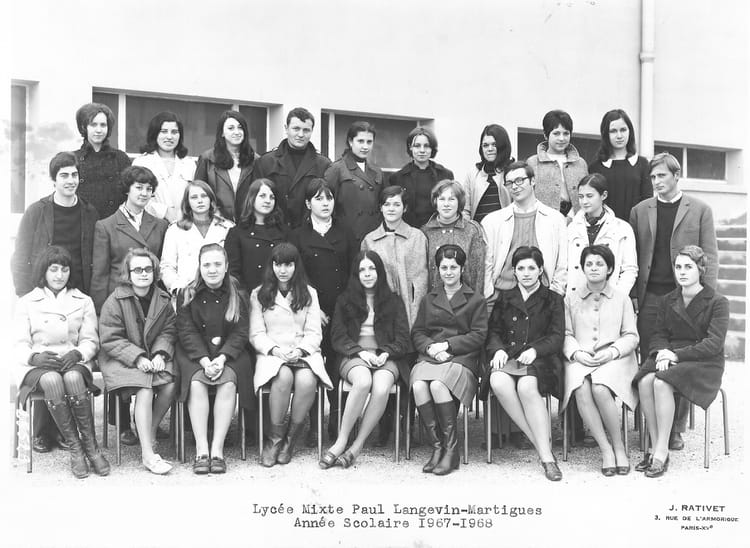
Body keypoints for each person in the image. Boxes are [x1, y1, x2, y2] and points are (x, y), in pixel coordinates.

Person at [11, 152, 100, 453]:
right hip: (41, 289)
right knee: (45, 353)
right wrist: (27, 294)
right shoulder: (37, 211)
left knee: (68, 359)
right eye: (64, 175)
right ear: (53, 180)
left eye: (74, 175)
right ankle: (41, 431)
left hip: (75, 289)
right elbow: (20, 255)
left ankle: (65, 432)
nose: (70, 180)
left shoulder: (88, 211)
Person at [629, 152, 718, 451]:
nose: (656, 182)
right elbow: (634, 257)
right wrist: (634, 296)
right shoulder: (640, 211)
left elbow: (710, 255)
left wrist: (704, 298)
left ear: (676, 175)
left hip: (685, 298)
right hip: (650, 297)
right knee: (650, 359)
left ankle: (676, 428)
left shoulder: (700, 209)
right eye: (653, 177)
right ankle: (652, 427)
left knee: (679, 360)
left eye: (662, 176)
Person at [12, 246, 109, 478]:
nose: (59, 275)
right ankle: (76, 449)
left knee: (74, 377)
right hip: (38, 365)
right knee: (53, 380)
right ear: (43, 272)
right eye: (53, 269)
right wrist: (34, 357)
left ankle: (91, 447)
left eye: (64, 270)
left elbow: (90, 340)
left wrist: (78, 354)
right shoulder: (27, 302)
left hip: (72, 360)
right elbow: (18, 343)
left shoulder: (83, 300)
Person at [633, 246, 728, 478]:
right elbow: (658, 333)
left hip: (703, 361)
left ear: (701, 270)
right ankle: (655, 444)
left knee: (660, 382)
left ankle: (660, 452)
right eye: (678, 267)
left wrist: (676, 355)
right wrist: (662, 352)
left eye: (688, 267)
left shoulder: (717, 301)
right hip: (670, 354)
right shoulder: (668, 300)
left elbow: (713, 344)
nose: (682, 272)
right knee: (645, 381)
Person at [91, 164, 169, 445]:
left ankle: (147, 421)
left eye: (149, 189)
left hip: (149, 301)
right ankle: (123, 423)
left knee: (152, 359)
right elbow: (100, 273)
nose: (144, 193)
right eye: (139, 187)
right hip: (119, 302)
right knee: (124, 359)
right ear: (127, 189)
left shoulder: (160, 225)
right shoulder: (106, 226)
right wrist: (100, 310)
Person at [320, 250, 410, 469]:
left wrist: (386, 353)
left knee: (382, 387)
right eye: (362, 270)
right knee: (362, 381)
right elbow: (338, 336)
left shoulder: (394, 301)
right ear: (356, 274)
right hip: (354, 355)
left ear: (379, 272)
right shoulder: (345, 300)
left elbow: (402, 338)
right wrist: (361, 352)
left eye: (372, 269)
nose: (367, 274)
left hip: (385, 356)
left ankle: (357, 446)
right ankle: (341, 441)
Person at [484, 246, 564, 481]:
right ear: (514, 272)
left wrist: (535, 350)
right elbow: (493, 331)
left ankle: (546, 458)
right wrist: (498, 349)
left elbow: (557, 336)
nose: (526, 273)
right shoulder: (505, 298)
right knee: (497, 381)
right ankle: (541, 445)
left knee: (526, 387)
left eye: (531, 268)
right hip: (510, 356)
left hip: (541, 359)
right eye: (521, 268)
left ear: (540, 270)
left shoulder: (553, 299)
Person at [249, 243, 333, 467]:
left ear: (296, 266)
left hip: (303, 352)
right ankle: (274, 439)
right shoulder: (259, 294)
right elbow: (256, 334)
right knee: (283, 377)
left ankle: (290, 439)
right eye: (278, 265)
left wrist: (300, 350)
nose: (283, 270)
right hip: (273, 354)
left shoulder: (309, 293)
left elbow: (314, 332)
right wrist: (275, 350)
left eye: (288, 264)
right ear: (272, 266)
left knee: (307, 381)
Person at [175, 243, 254, 474]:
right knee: (196, 383)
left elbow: (241, 332)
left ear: (226, 266)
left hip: (229, 354)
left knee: (228, 382)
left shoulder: (239, 295)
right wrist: (203, 360)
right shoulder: (186, 294)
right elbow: (186, 331)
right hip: (195, 353)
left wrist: (221, 359)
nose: (212, 269)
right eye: (207, 264)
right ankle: (202, 449)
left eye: (218, 264)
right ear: (199, 267)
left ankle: (217, 449)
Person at [561, 245, 639, 476]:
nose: (593, 268)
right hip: (580, 357)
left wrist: (613, 351)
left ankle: (619, 447)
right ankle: (605, 449)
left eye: (599, 264)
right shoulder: (570, 299)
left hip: (615, 358)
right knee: (580, 388)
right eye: (589, 264)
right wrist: (576, 353)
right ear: (582, 268)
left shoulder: (622, 299)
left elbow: (631, 336)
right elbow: (565, 334)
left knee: (600, 388)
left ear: (610, 269)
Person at [411, 244, 488, 475]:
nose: (448, 272)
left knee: (437, 385)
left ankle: (451, 450)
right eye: (444, 267)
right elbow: (418, 332)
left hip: (462, 358)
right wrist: (431, 348)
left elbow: (479, 335)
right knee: (418, 385)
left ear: (462, 269)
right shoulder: (429, 299)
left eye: (453, 267)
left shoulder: (475, 299)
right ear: (437, 270)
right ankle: (438, 447)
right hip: (431, 355)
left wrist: (447, 345)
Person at [290, 178, 357, 442]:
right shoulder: (297, 235)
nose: (325, 203)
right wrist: (313, 309)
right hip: (309, 311)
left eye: (328, 198)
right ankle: (314, 423)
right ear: (308, 204)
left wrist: (344, 309)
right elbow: (296, 275)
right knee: (313, 365)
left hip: (341, 310)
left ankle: (338, 421)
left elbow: (354, 272)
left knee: (337, 364)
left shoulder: (345, 232)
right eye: (318, 199)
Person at [98, 248, 177, 474]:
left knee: (171, 383)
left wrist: (161, 354)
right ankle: (148, 455)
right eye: (138, 270)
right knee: (145, 386)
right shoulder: (115, 300)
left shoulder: (163, 299)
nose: (143, 274)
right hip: (120, 358)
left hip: (153, 356)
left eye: (148, 269)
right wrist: (138, 357)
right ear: (128, 273)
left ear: (154, 272)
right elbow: (110, 338)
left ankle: (149, 431)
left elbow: (169, 330)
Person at [482, 160, 567, 306]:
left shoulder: (555, 219)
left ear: (533, 181)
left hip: (542, 299)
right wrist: (489, 293)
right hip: (501, 296)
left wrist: (555, 294)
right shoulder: (492, 221)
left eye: (519, 180)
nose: (515, 186)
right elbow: (487, 263)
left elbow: (562, 263)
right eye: (509, 183)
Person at [361, 185, 429, 328]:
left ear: (405, 208)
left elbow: (421, 281)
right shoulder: (369, 241)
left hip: (412, 310)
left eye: (397, 204)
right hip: (381, 312)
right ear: (381, 208)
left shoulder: (417, 237)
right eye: (387, 204)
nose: (391, 209)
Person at [251, 107, 331, 228]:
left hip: (309, 231)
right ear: (286, 128)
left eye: (306, 130)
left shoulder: (323, 165)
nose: (301, 134)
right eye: (296, 129)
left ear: (312, 131)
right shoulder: (266, 162)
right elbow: (255, 201)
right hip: (274, 230)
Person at [567, 173, 637, 295]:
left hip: (610, 297)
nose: (584, 201)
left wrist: (617, 297)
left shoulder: (622, 228)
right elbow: (564, 267)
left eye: (589, 196)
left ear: (603, 195)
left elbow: (629, 269)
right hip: (577, 297)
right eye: (581, 197)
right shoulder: (571, 228)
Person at [160, 180, 235, 295]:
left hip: (221, 293)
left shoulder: (227, 227)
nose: (200, 200)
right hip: (187, 293)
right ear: (187, 202)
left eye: (204, 196)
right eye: (194, 197)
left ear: (211, 199)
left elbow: (234, 265)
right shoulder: (175, 230)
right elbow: (167, 266)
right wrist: (178, 289)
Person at [421, 179, 486, 294]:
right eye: (442, 199)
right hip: (434, 299)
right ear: (435, 202)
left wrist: (476, 300)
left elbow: (478, 272)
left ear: (459, 202)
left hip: (466, 299)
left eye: (451, 199)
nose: (446, 204)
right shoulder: (425, 232)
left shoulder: (472, 230)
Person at [324, 121, 385, 242]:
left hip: (373, 237)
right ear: (350, 141)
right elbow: (325, 204)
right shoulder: (336, 169)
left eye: (369, 142)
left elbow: (383, 204)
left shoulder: (377, 171)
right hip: (346, 237)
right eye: (360, 141)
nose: (365, 147)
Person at [225, 178, 289, 295]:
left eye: (272, 197)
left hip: (278, 295)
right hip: (248, 295)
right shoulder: (237, 233)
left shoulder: (284, 231)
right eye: (262, 196)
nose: (268, 201)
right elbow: (233, 272)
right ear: (252, 198)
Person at [194, 110, 259, 222]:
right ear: (222, 133)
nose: (236, 132)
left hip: (248, 223)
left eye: (240, 128)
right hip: (216, 222)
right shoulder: (207, 159)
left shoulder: (256, 160)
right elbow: (197, 192)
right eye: (231, 128)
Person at [132, 111, 197, 222]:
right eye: (164, 131)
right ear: (155, 134)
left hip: (184, 224)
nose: (169, 137)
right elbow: (136, 197)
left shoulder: (189, 164)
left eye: (174, 132)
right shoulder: (142, 162)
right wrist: (164, 212)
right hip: (151, 224)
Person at [588, 109, 651, 221]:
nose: (619, 135)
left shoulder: (642, 164)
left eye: (623, 130)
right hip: (605, 228)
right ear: (605, 134)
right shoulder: (596, 167)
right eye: (613, 131)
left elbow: (647, 202)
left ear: (630, 131)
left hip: (635, 227)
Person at [73, 102, 132, 220]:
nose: (99, 130)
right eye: (93, 125)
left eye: (103, 125)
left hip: (113, 224)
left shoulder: (120, 158)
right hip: (81, 223)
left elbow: (130, 195)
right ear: (84, 127)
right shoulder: (73, 159)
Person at [527, 110, 588, 218]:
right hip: (543, 221)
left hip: (576, 220)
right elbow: (527, 197)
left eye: (566, 133)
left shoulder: (580, 163)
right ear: (546, 135)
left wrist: (571, 217)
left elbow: (587, 193)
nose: (561, 138)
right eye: (556, 133)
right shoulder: (533, 162)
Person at [390, 127, 454, 228]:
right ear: (410, 147)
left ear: (432, 148)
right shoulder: (398, 178)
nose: (422, 150)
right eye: (417, 146)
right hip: (408, 232)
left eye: (426, 146)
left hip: (438, 230)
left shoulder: (445, 175)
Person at [462, 124, 513, 223]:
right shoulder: (472, 174)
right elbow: (465, 211)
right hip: (477, 231)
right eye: (485, 145)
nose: (490, 149)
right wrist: (469, 230)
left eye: (494, 144)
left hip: (505, 230)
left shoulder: (512, 172)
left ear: (502, 146)